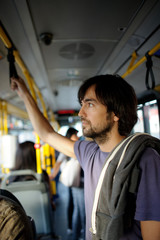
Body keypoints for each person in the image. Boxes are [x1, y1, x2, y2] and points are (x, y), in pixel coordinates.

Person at [11, 74, 160, 240]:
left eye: (90, 104)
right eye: (82, 105)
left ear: (115, 113)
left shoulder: (146, 159)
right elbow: (47, 134)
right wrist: (24, 93)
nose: (81, 113)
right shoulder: (89, 152)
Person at [50, 127, 85, 240]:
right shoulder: (69, 148)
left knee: (78, 210)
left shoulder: (75, 146)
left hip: (76, 182)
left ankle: (76, 233)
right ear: (70, 136)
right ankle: (85, 235)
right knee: (82, 210)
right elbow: (58, 163)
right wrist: (51, 176)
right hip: (78, 183)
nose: (77, 137)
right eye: (75, 135)